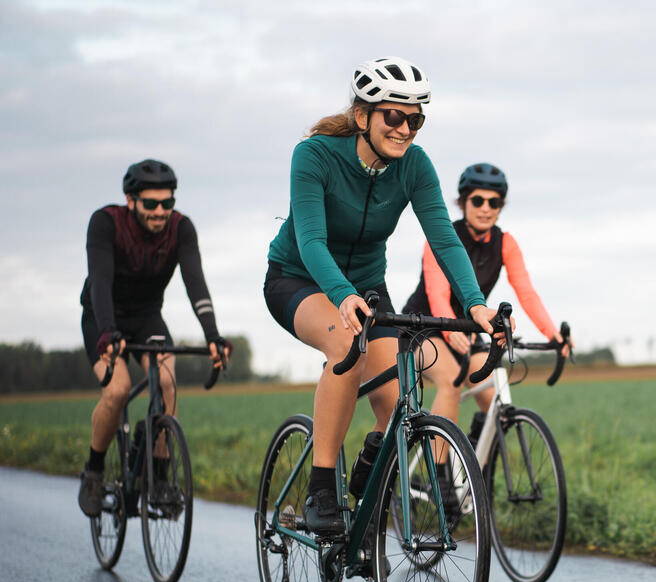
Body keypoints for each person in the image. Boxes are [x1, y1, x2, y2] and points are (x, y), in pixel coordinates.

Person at [263, 57, 501, 535]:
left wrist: (476, 304)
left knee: (398, 406)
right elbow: (311, 240)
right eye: (394, 115)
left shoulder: (414, 165)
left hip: (368, 286)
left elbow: (445, 240)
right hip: (300, 278)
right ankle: (321, 489)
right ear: (362, 115)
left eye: (415, 119)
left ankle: (368, 481)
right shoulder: (314, 156)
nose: (405, 128)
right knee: (346, 347)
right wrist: (341, 294)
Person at [78, 160, 230, 517]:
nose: (161, 211)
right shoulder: (105, 223)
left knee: (166, 381)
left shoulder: (181, 229)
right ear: (131, 201)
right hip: (104, 316)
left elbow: (196, 283)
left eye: (168, 203)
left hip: (147, 316)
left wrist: (213, 335)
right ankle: (94, 471)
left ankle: (160, 476)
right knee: (116, 390)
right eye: (151, 204)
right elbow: (99, 282)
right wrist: (106, 333)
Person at [401, 162, 570, 439]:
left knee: (495, 401)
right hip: (423, 327)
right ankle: (439, 478)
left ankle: (475, 468)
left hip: (468, 330)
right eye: (477, 200)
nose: (486, 208)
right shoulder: (443, 237)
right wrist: (449, 329)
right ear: (464, 202)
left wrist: (552, 334)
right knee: (450, 382)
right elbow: (437, 292)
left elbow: (526, 293)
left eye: (495, 203)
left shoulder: (505, 243)